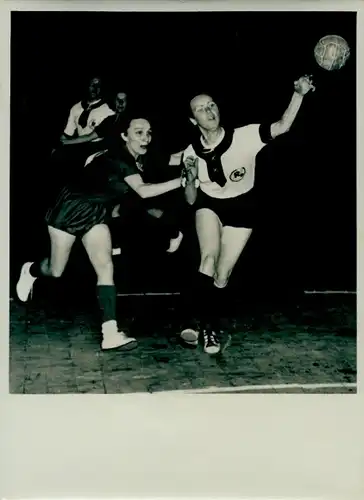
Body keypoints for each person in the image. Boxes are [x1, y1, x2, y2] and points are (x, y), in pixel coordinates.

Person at [16, 114, 184, 350]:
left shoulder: (139, 156)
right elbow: (143, 192)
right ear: (125, 136)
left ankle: (110, 333)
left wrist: (198, 154)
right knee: (56, 271)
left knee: (105, 267)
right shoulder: (120, 157)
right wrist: (183, 180)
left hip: (96, 213)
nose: (145, 137)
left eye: (148, 132)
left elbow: (174, 158)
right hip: (70, 209)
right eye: (138, 132)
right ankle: (31, 269)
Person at [179, 75, 316, 355]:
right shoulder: (190, 154)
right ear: (193, 121)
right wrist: (191, 179)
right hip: (210, 204)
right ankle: (208, 328)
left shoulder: (244, 136)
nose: (209, 111)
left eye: (212, 105)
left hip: (243, 206)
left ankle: (205, 316)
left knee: (222, 276)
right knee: (208, 256)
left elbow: (282, 126)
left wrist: (298, 94)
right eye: (201, 109)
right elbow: (191, 199)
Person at [51, 75, 115, 183]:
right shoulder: (76, 107)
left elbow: (91, 137)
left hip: (98, 147)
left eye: (98, 85)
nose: (95, 88)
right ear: (86, 86)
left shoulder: (108, 110)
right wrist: (56, 147)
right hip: (77, 145)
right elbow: (68, 133)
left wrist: (65, 143)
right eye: (92, 85)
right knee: (57, 156)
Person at [60, 90, 128, 149]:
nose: (120, 103)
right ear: (114, 101)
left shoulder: (132, 121)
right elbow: (89, 137)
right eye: (118, 100)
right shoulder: (110, 119)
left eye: (123, 100)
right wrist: (65, 142)